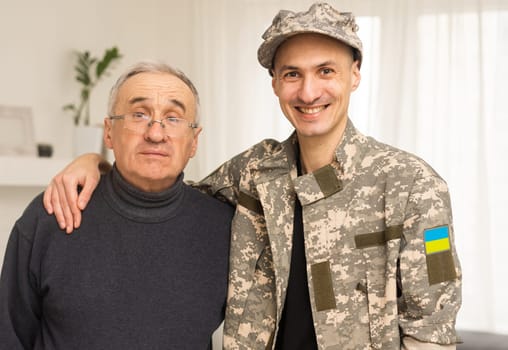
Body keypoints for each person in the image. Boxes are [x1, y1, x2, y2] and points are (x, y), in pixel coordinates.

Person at [42, 2, 462, 349]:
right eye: (292, 74)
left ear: (355, 74)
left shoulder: (413, 186)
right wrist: (95, 161)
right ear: (276, 83)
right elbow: (165, 189)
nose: (309, 92)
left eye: (326, 71)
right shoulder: (254, 173)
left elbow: (432, 330)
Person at [0, 61, 234, 349]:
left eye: (173, 118)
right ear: (109, 132)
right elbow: (8, 335)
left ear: (194, 141)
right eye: (139, 114)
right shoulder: (54, 213)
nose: (156, 134)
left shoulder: (227, 229)